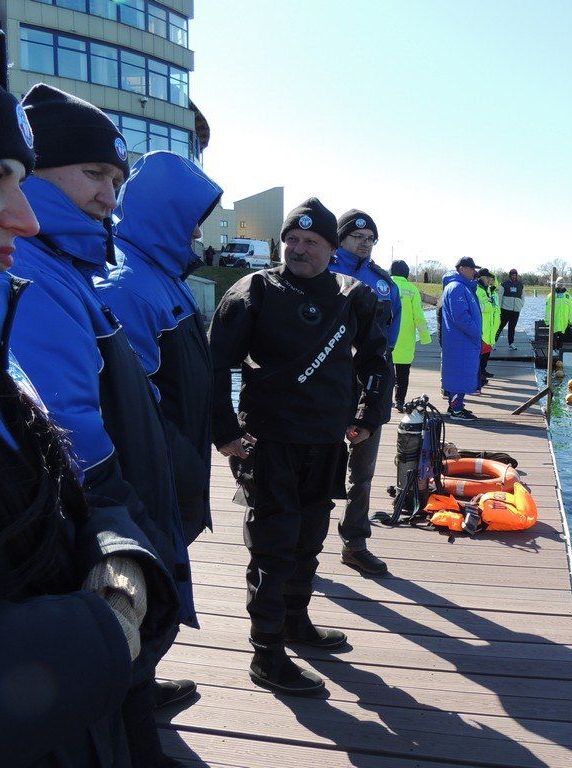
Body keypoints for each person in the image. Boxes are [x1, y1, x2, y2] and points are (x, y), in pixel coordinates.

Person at [0, 8, 174, 765]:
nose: (27, 219)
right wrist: (100, 632)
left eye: (20, 179)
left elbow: (74, 486)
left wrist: (119, 552)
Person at [10, 84, 195, 766]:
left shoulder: (68, 266)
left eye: (117, 179)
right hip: (101, 517)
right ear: (31, 170)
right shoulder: (35, 272)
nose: (109, 194)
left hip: (121, 509)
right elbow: (67, 423)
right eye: (93, 173)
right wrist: (123, 518)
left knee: (126, 699)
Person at [209, 198, 390, 696]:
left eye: (312, 242)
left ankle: (295, 622)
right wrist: (225, 432)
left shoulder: (353, 295)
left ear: (332, 250)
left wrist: (367, 416)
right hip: (268, 445)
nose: (299, 248)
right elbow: (213, 363)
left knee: (309, 540)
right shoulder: (255, 290)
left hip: (325, 443)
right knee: (272, 548)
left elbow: (377, 361)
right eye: (292, 239)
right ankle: (266, 654)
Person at [95, 151, 224, 546]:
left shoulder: (162, 273)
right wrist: (184, 468)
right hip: (156, 485)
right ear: (164, 213)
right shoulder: (125, 286)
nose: (198, 234)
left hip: (174, 477)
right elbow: (131, 409)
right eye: (194, 220)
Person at [329, 209, 399, 576]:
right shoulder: (320, 272)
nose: (364, 242)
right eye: (357, 236)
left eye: (370, 237)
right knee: (314, 464)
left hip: (369, 387)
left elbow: (390, 337)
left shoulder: (385, 284)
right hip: (325, 385)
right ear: (339, 239)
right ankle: (296, 546)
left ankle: (354, 543)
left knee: (363, 471)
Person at [441, 257, 483, 420]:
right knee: (459, 374)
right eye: (472, 268)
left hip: (464, 341)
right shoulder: (456, 287)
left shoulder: (462, 286)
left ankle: (457, 407)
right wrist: (475, 331)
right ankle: (456, 410)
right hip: (461, 341)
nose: (475, 272)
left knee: (462, 374)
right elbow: (460, 316)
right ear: (462, 269)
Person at [390, 260, 432, 409]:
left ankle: (385, 400)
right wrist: (425, 337)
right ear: (406, 273)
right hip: (405, 338)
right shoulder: (411, 289)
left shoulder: (385, 285)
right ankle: (399, 401)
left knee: (385, 370)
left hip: (385, 337)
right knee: (402, 374)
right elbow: (419, 316)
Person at [476, 268, 499, 380]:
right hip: (481, 326)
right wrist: (488, 306)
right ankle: (478, 374)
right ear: (482, 277)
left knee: (487, 350)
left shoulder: (488, 290)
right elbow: (476, 307)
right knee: (480, 352)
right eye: (488, 277)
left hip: (489, 326)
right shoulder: (477, 289)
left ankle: (483, 371)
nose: (490, 279)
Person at [496, 268, 525, 349]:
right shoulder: (503, 284)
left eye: (515, 275)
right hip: (505, 309)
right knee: (500, 326)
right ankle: (493, 342)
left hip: (516, 310)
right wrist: (499, 309)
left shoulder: (521, 285)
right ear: (510, 275)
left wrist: (520, 305)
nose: (514, 276)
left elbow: (523, 297)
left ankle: (511, 343)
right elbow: (499, 298)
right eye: (512, 275)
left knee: (512, 327)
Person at [545, 277, 572, 349]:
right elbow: (547, 309)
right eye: (559, 284)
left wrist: (570, 320)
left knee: (561, 336)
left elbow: (570, 308)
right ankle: (553, 350)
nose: (560, 286)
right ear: (556, 285)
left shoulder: (567, 296)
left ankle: (559, 349)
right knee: (553, 336)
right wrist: (547, 320)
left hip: (564, 320)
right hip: (554, 320)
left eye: (561, 284)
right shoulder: (551, 295)